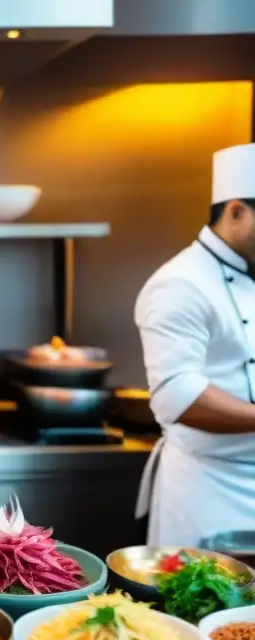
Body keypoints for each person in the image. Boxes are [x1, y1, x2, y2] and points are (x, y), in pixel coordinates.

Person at [134, 141, 255, 547]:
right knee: (203, 587)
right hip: (210, 491)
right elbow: (177, 396)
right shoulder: (180, 283)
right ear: (236, 211)